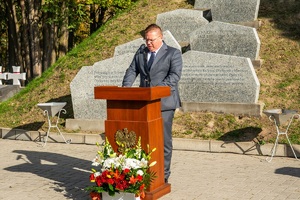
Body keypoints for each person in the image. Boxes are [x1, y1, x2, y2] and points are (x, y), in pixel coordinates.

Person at [122, 24, 183, 183]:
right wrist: (125, 89)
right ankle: (144, 173)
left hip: (164, 104)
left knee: (163, 141)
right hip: (144, 103)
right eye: (146, 39)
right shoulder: (141, 52)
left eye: (151, 40)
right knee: (143, 140)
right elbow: (132, 70)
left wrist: (155, 91)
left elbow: (174, 76)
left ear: (161, 37)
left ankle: (163, 176)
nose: (148, 43)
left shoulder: (173, 53)